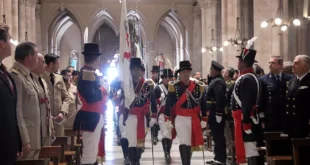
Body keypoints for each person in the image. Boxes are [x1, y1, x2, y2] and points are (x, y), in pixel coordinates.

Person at [165, 60, 207, 165]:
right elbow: (168, 104)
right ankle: (185, 163)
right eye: (183, 71)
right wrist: (167, 119)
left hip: (194, 118)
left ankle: (187, 161)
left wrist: (205, 118)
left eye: (187, 71)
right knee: (184, 141)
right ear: (179, 73)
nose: (186, 73)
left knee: (190, 143)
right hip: (180, 118)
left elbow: (203, 103)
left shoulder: (197, 86)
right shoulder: (174, 86)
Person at [73, 43, 108, 165]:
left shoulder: (90, 72)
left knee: (92, 155)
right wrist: (103, 89)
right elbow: (91, 97)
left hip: (92, 116)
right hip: (90, 117)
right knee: (89, 156)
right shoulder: (88, 73)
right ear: (96, 58)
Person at [231, 47, 264, 165]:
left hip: (247, 120)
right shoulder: (249, 77)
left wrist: (246, 123)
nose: (237, 63)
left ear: (243, 63)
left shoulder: (247, 79)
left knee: (250, 149)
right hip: (247, 118)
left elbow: (246, 103)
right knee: (248, 149)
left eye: (239, 60)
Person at [10, 42, 41, 159]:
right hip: (27, 137)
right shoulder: (16, 76)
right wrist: (25, 140)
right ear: (29, 57)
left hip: (34, 135)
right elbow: (18, 110)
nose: (38, 60)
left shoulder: (27, 76)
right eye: (36, 55)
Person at [124, 58, 157, 165]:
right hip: (130, 115)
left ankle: (137, 158)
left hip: (142, 116)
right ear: (130, 70)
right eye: (133, 69)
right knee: (132, 141)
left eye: (138, 69)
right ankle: (134, 162)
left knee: (140, 142)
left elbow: (152, 100)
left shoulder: (147, 84)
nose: (136, 71)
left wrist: (154, 117)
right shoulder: (126, 84)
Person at [0, 23, 22, 165]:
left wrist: (17, 142)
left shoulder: (4, 72)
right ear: (1, 44)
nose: (11, 44)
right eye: (9, 40)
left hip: (8, 144)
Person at [259, 56, 294, 132]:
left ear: (280, 65)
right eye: (269, 63)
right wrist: (261, 116)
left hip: (285, 116)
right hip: (270, 117)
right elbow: (261, 99)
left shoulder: (290, 79)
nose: (270, 65)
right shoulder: (263, 79)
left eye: (273, 63)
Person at [43, 53, 71, 136]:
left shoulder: (59, 78)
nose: (59, 65)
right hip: (46, 120)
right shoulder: (41, 77)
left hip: (59, 119)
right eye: (57, 63)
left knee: (59, 145)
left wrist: (62, 112)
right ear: (51, 64)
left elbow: (66, 97)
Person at [205, 61, 227, 165]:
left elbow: (220, 97)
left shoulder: (218, 81)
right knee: (216, 135)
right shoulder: (216, 80)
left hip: (216, 112)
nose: (210, 71)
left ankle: (221, 159)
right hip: (213, 111)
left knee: (218, 136)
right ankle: (217, 157)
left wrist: (219, 112)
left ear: (214, 70)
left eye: (210, 70)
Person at [31, 53, 55, 147]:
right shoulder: (29, 80)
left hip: (46, 129)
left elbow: (47, 106)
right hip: (35, 131)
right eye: (43, 62)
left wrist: (51, 127)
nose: (45, 65)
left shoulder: (43, 81)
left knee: (46, 160)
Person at [284, 55, 310, 138]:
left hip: (305, 125)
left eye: (296, 63)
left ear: (305, 67)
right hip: (291, 126)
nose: (293, 65)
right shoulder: (291, 82)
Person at [154, 68, 174, 164]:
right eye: (165, 77)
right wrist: (159, 100)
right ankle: (166, 153)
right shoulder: (158, 88)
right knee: (165, 133)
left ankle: (168, 151)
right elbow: (153, 102)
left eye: (169, 77)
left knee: (169, 134)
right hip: (162, 114)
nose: (167, 79)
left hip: (172, 115)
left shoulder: (174, 87)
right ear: (162, 78)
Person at [150, 65, 160, 144]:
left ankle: (156, 135)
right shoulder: (149, 82)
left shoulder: (161, 82)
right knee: (153, 120)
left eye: (156, 72)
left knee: (158, 121)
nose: (155, 74)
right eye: (154, 73)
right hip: (152, 104)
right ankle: (153, 136)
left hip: (160, 103)